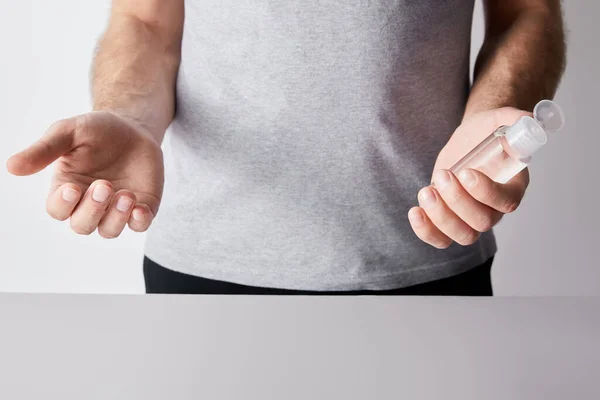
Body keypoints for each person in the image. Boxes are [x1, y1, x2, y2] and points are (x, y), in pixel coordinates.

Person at [7, 0, 565, 296]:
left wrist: (494, 120)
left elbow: (526, 10)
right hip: (205, 262)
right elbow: (144, 20)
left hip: (431, 252)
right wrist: (130, 117)